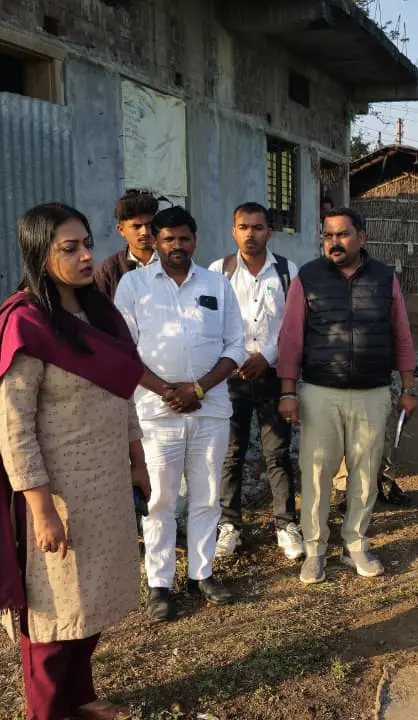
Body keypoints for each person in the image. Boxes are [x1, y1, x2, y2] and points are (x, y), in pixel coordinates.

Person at [0, 203, 150, 720]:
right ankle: (49, 711)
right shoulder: (26, 325)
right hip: (58, 492)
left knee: (90, 601)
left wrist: (136, 455)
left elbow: (122, 391)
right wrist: (41, 507)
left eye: (87, 244)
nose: (85, 256)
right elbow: (15, 429)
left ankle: (81, 697)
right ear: (39, 253)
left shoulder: (98, 314)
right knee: (54, 614)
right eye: (69, 248)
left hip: (106, 484)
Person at [114, 206, 247, 619]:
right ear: (155, 241)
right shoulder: (133, 286)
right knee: (160, 500)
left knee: (207, 495)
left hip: (210, 410)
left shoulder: (216, 284)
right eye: (168, 239)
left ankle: (202, 573)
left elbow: (235, 345)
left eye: (184, 238)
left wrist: (200, 389)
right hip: (157, 411)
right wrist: (168, 391)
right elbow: (123, 351)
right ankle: (160, 584)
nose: (177, 246)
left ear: (196, 240)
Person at [276, 207, 418, 585]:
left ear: (362, 237)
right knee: (318, 472)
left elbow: (401, 335)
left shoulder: (384, 278)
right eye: (327, 235)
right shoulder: (308, 278)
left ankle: (355, 543)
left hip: (372, 393)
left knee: (366, 472)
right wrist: (288, 391)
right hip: (320, 392)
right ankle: (315, 549)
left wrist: (407, 386)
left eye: (342, 234)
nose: (334, 242)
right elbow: (290, 339)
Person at [208, 202, 303, 561]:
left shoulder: (285, 271)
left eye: (258, 227)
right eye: (243, 227)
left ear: (269, 232)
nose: (251, 234)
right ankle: (229, 525)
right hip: (229, 378)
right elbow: (211, 324)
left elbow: (291, 326)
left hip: (271, 375)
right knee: (230, 454)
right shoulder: (219, 271)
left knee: (277, 453)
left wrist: (266, 357)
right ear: (234, 231)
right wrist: (236, 358)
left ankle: (285, 524)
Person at [93, 189, 159, 299]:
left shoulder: (171, 263)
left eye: (149, 224)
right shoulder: (108, 271)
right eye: (136, 226)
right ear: (121, 230)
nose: (145, 232)